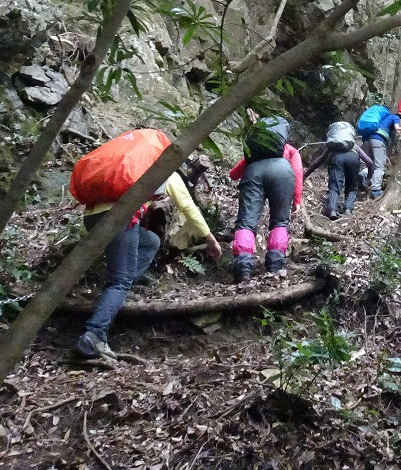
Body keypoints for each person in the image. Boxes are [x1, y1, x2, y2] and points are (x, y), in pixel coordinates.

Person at [74, 133, 223, 360]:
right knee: (120, 281)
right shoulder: (165, 173)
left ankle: (116, 295)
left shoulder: (136, 167)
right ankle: (94, 335)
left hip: (93, 217)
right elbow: (188, 206)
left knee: (150, 241)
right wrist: (210, 238)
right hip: (120, 219)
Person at [229, 114, 303, 282]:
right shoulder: (290, 150)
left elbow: (233, 174)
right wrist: (297, 199)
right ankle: (274, 265)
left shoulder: (256, 152)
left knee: (246, 222)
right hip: (283, 172)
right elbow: (298, 172)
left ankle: (243, 267)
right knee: (280, 221)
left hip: (254, 172)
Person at [304, 122, 375, 219]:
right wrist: (369, 176)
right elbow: (369, 162)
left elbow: (318, 161)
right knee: (351, 187)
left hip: (336, 158)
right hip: (353, 158)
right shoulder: (353, 145)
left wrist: (305, 175)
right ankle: (348, 209)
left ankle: (332, 210)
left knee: (334, 187)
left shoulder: (332, 147)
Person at [356, 104, 401, 199]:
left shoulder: (380, 121)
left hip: (366, 140)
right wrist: (399, 128)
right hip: (378, 140)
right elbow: (397, 127)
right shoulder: (394, 117)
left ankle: (363, 175)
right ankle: (376, 190)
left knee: (372, 164)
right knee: (379, 166)